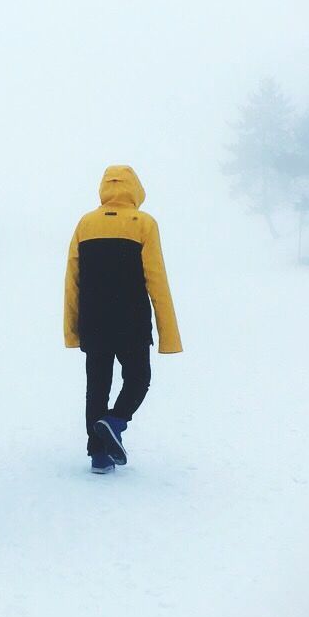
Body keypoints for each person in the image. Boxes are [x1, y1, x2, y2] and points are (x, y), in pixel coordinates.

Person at [64, 165, 182, 472]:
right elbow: (156, 279)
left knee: (97, 386)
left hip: (93, 321)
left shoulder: (85, 223)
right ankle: (115, 422)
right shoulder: (143, 223)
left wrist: (72, 329)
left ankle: (99, 455)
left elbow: (72, 279)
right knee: (139, 378)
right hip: (131, 320)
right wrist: (169, 335)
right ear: (135, 188)